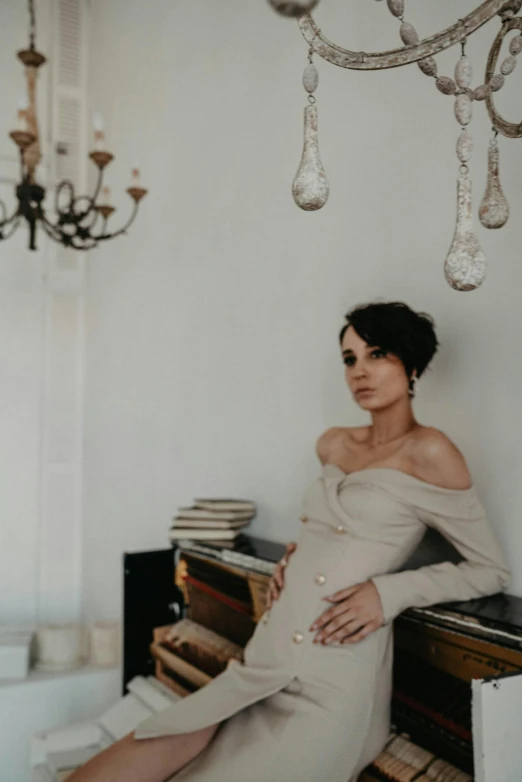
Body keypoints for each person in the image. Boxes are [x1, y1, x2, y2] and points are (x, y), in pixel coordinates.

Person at [69, 301, 511, 782]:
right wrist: (295, 563)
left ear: (411, 366)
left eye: (376, 354)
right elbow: (335, 533)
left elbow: (489, 568)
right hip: (267, 653)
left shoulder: (431, 452)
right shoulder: (333, 444)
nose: (359, 371)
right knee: (132, 754)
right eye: (349, 359)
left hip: (334, 681)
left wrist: (387, 592)